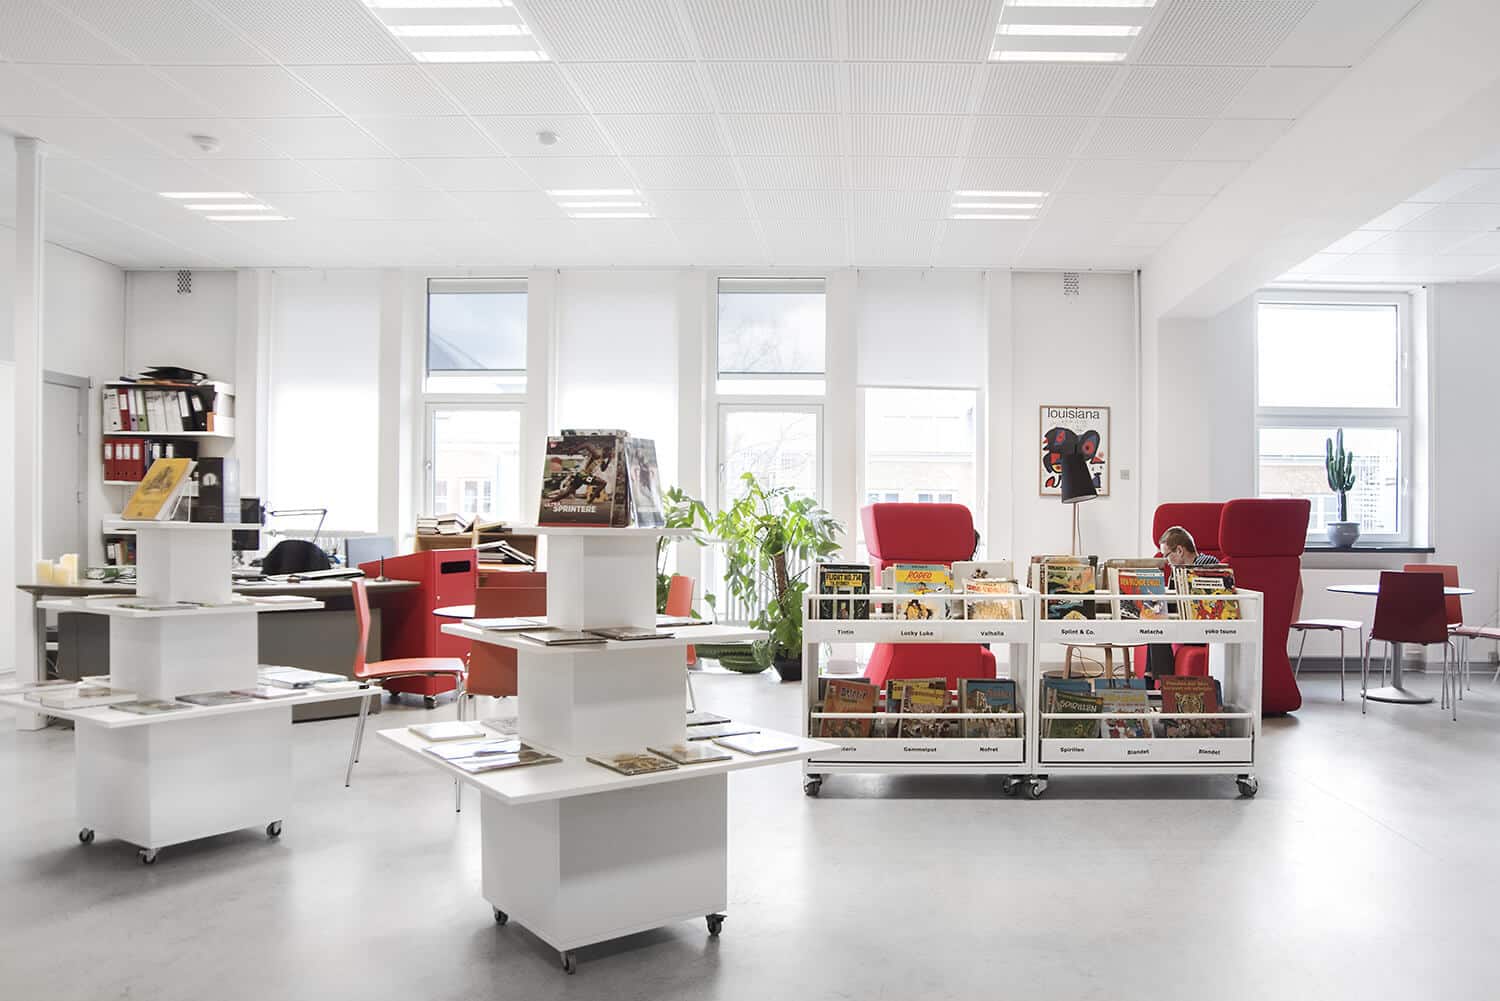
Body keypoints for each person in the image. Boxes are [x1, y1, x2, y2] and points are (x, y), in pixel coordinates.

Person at [1145, 526, 1219, 681]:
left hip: (1204, 627)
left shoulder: (1206, 563)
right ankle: (1155, 678)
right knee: (1155, 621)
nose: (1167, 562)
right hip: (1189, 622)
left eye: (1167, 555)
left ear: (1179, 551)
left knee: (1157, 627)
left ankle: (1160, 680)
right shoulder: (1179, 571)